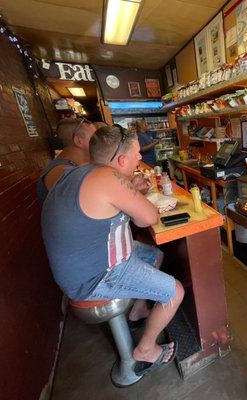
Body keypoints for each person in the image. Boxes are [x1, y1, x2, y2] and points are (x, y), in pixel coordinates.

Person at [41, 125, 184, 374]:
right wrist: (133, 192)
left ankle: (138, 310)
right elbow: (148, 217)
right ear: (122, 159)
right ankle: (145, 349)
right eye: (137, 153)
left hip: (82, 267)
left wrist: (130, 190)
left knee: (154, 255)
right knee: (175, 291)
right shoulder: (108, 178)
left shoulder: (80, 172)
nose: (141, 158)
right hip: (94, 276)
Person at [37, 118, 95, 204]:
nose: (100, 141)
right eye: (94, 138)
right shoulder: (62, 172)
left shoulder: (74, 164)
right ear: (79, 141)